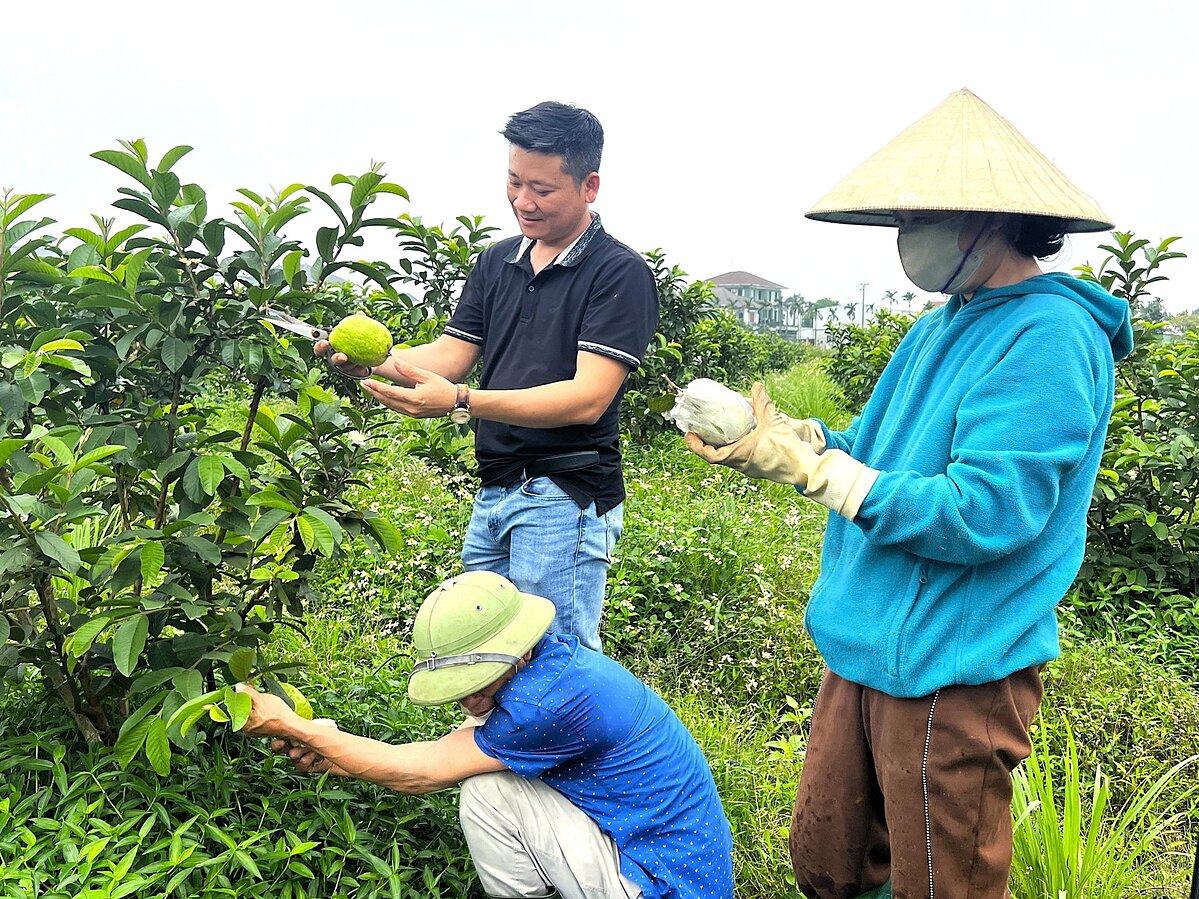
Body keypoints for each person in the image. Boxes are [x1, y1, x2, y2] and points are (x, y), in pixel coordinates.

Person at [686, 89, 1133, 899]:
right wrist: (792, 440)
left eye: (918, 217)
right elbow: (874, 447)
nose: (904, 237)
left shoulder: (1051, 335)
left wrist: (815, 472)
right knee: (830, 861)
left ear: (986, 217)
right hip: (864, 645)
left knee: (942, 883)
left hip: (951, 665)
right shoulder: (937, 324)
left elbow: (982, 510)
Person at [321, 101, 659, 652]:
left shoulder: (619, 273)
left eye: (542, 189)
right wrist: (374, 360)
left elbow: (587, 398)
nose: (523, 201)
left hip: (563, 495)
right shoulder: (498, 261)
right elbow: (449, 355)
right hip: (496, 489)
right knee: (483, 656)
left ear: (589, 185)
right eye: (514, 182)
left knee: (555, 658)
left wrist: (461, 401)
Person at [240, 570, 734, 899]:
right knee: (486, 766)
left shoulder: (541, 707)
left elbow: (424, 771)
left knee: (488, 793)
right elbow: (443, 752)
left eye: (479, 682)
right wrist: (334, 750)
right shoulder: (553, 661)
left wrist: (292, 725)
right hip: (669, 855)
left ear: (518, 651)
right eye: (459, 686)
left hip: (663, 883)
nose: (470, 701)